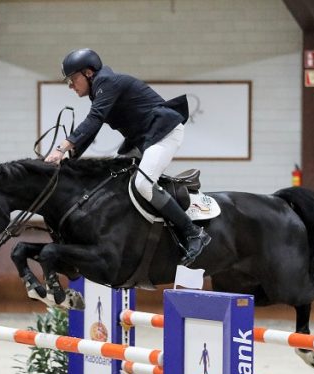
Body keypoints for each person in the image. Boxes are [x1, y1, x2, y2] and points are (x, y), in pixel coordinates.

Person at [44, 48, 210, 266]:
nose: (70, 85)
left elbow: (94, 119)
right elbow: (92, 130)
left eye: (73, 78)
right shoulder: (99, 89)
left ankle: (193, 232)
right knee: (113, 177)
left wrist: (61, 148)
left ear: (88, 73)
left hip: (164, 132)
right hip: (141, 138)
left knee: (143, 184)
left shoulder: (107, 82)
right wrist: (68, 159)